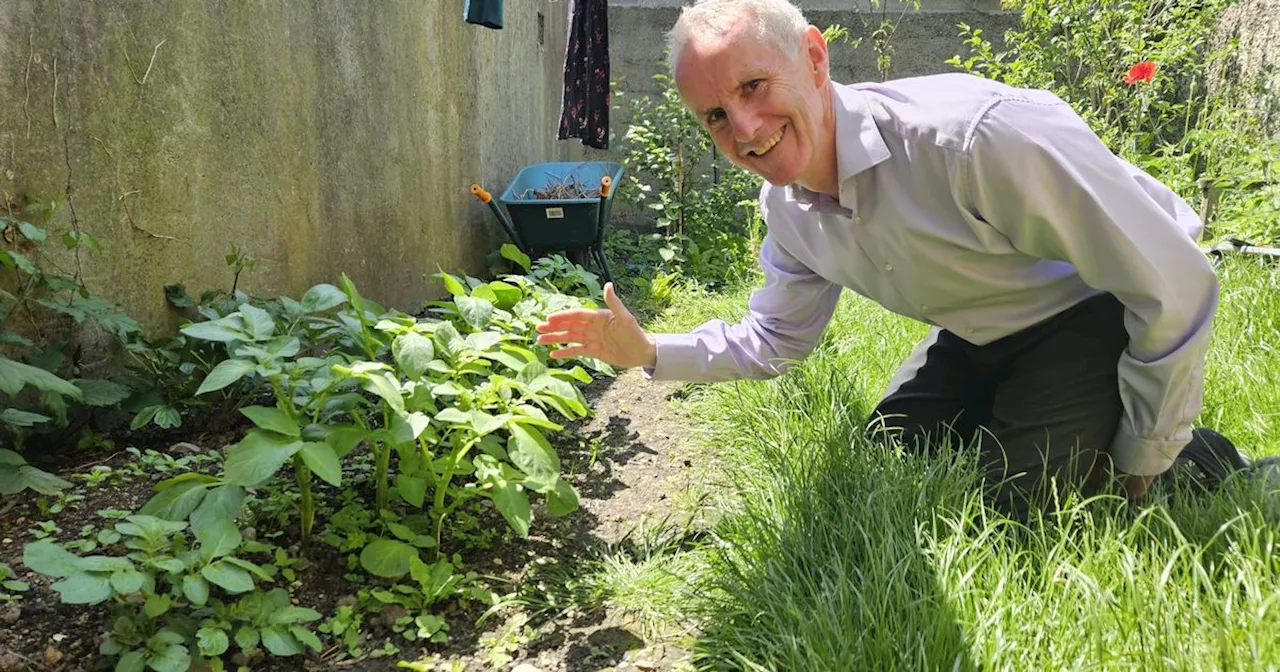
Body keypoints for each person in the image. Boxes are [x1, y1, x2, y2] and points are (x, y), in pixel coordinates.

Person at [534, 0, 1249, 516]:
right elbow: (776, 338)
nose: (744, 130)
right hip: (978, 332)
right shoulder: (787, 211)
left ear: (813, 57)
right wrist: (651, 349)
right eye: (716, 115)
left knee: (1027, 511)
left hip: (1089, 312)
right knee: (891, 452)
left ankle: (1225, 471)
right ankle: (1043, 422)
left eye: (753, 87)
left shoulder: (972, 139)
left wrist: (1143, 457)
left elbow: (1174, 282)